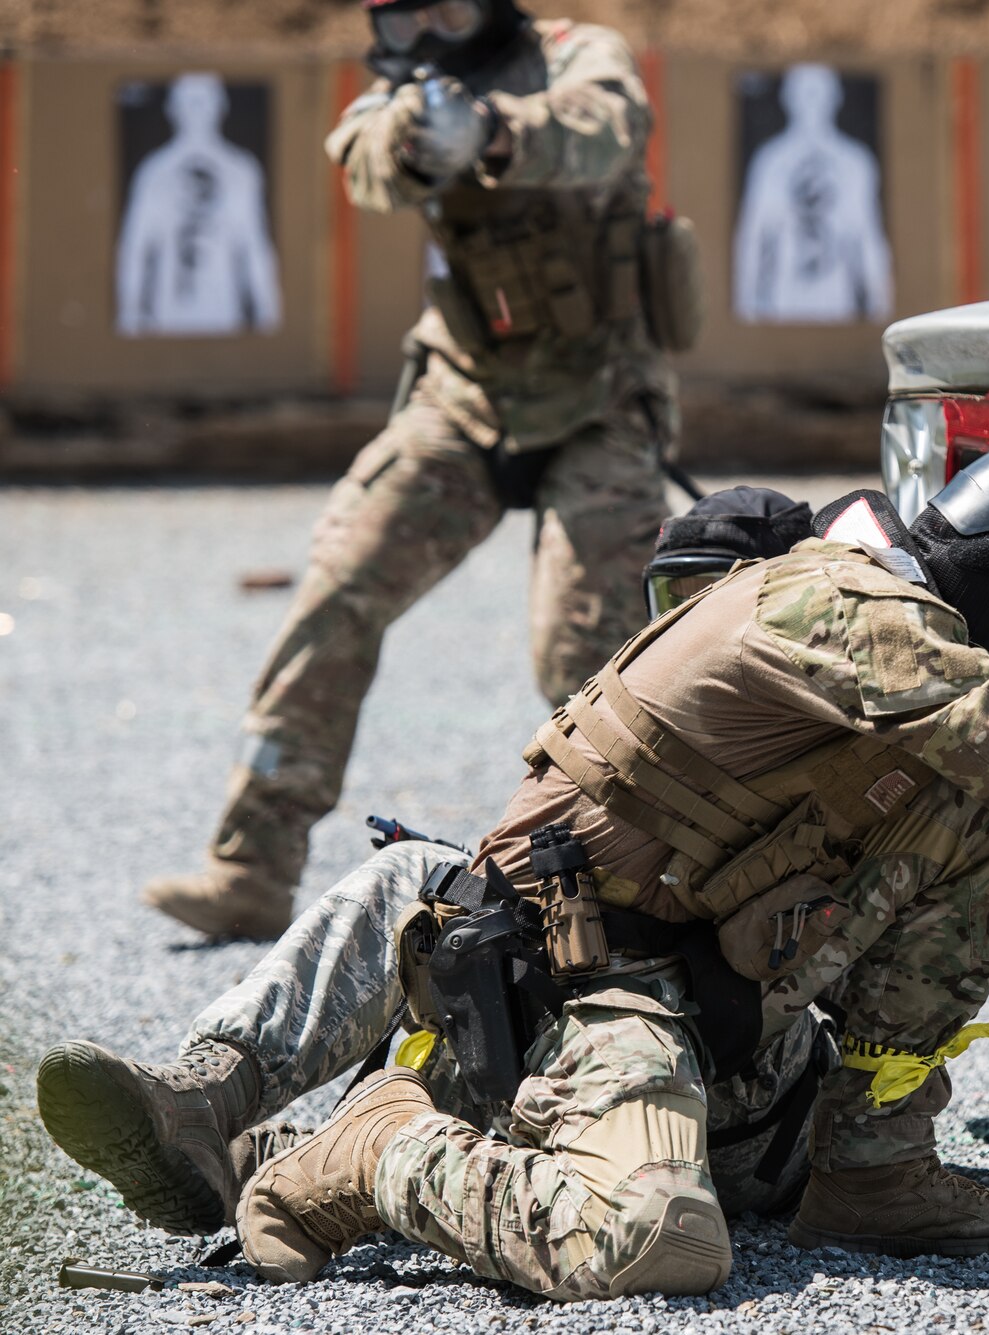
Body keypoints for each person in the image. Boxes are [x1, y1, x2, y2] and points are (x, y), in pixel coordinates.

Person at [42, 449, 989, 1299]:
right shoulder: (849, 605)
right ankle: (349, 1144)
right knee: (645, 1241)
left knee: (983, 818)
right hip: (582, 996)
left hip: (688, 1009)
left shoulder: (897, 662)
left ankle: (876, 1161)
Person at [142, 0, 681, 941]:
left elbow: (608, 126)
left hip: (601, 400)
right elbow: (362, 160)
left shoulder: (574, 54)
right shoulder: (398, 95)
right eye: (409, 15)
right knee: (340, 589)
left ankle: (624, 891)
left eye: (451, 7)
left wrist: (491, 130)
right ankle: (251, 866)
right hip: (465, 397)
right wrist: (415, 136)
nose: (434, 28)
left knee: (586, 660)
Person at [117, 72, 283, 338]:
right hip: (166, 318)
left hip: (225, 315)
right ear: (173, 109)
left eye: (205, 101)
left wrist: (268, 311)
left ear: (221, 106)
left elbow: (255, 247)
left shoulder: (242, 170)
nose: (197, 111)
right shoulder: (153, 172)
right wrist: (129, 312)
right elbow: (135, 248)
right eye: (188, 102)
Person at [732, 63, 894, 325]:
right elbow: (754, 236)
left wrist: (879, 300)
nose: (811, 103)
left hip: (838, 300)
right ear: (788, 99)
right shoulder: (770, 161)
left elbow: (868, 237)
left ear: (835, 97)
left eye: (819, 93)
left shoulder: (856, 162)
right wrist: (748, 299)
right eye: (803, 93)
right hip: (783, 299)